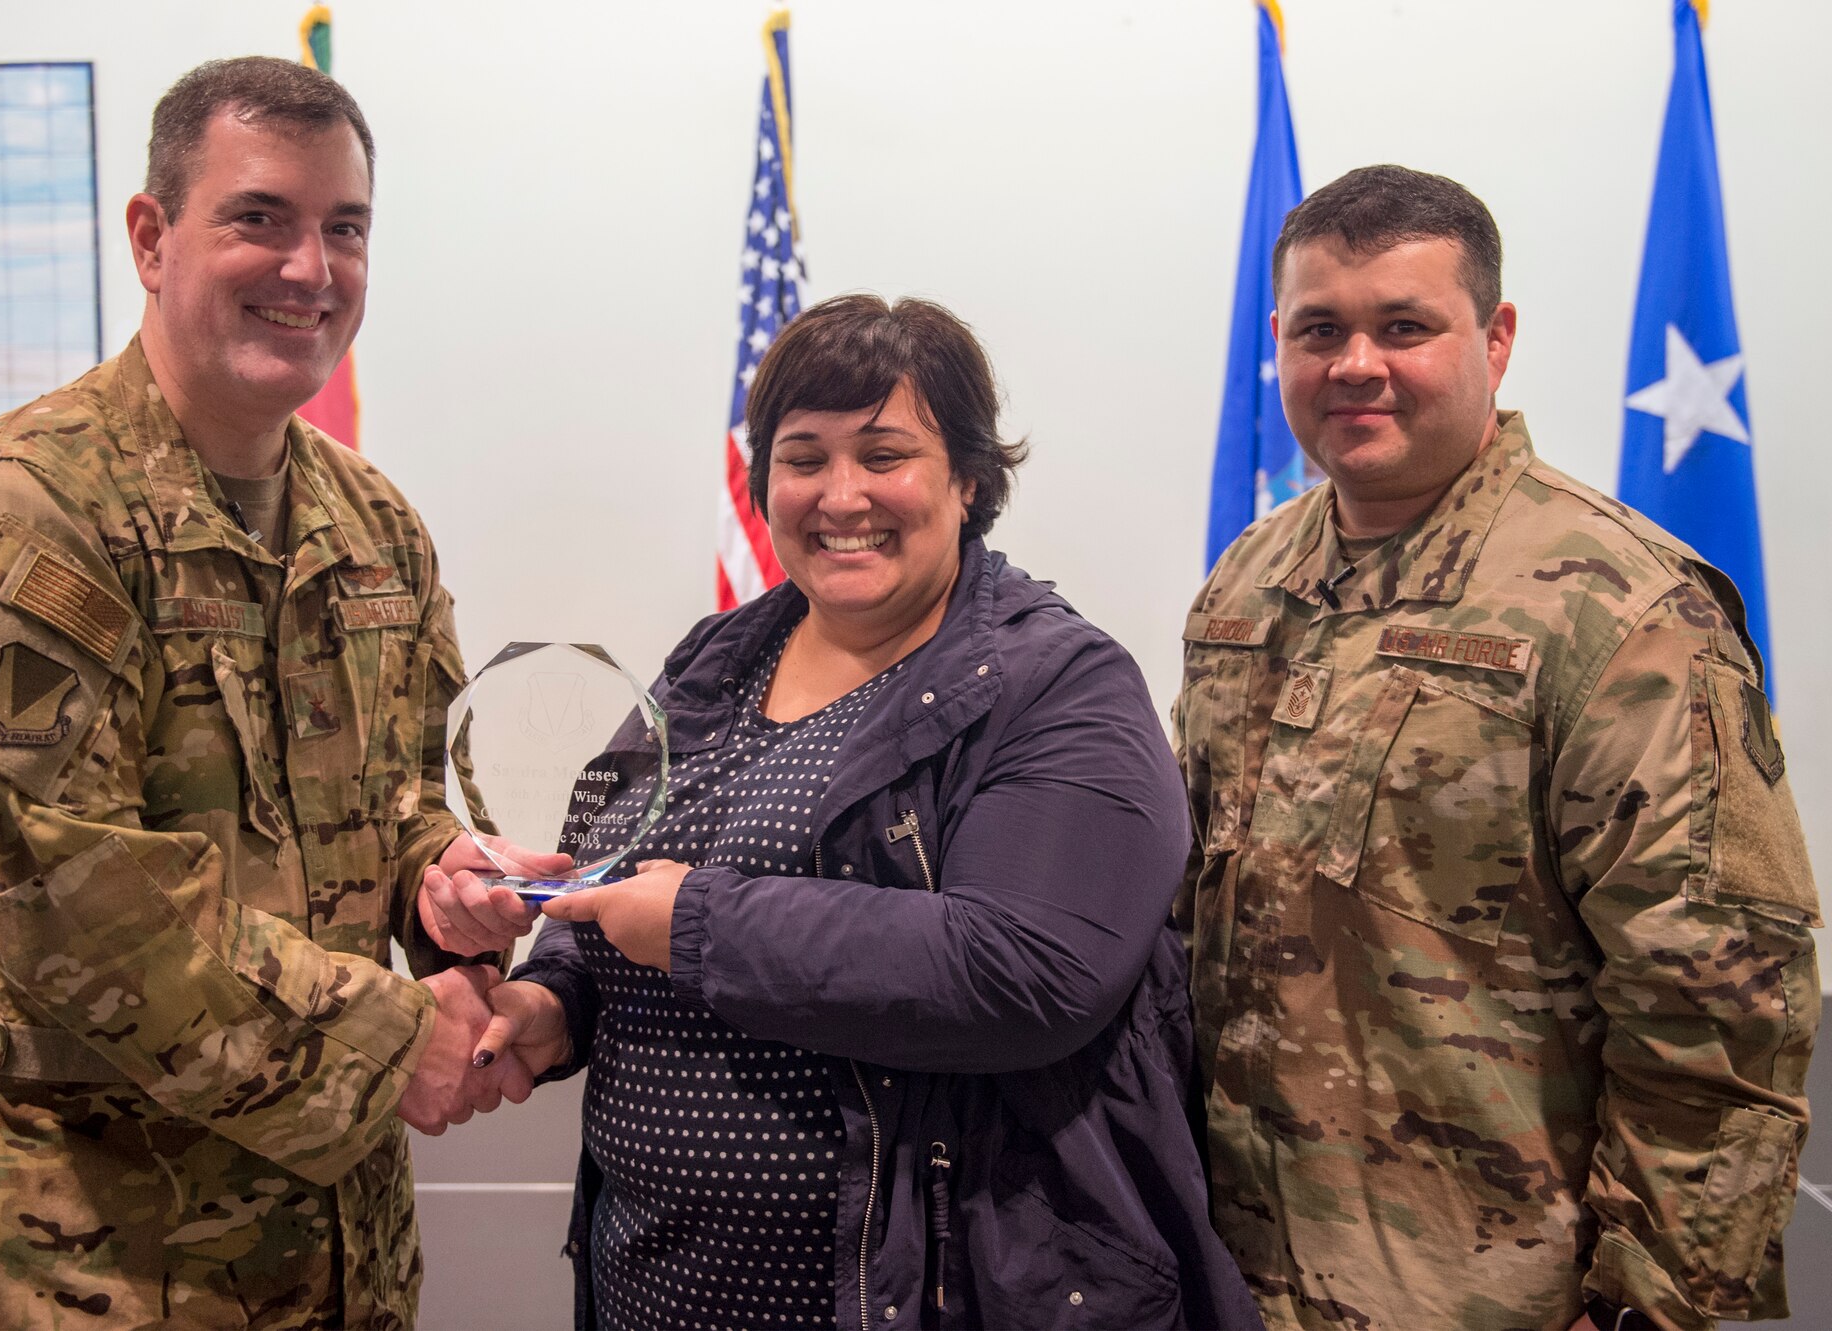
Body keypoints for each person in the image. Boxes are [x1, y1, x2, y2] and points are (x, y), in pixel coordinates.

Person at [0, 57, 550, 1329]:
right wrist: (393, 1035)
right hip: (87, 1271)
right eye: (258, 217)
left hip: (341, 1267)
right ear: (152, 236)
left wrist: (444, 884)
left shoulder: (372, 525)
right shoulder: (19, 512)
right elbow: (60, 891)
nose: (310, 269)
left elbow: (401, 795)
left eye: (345, 229)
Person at [428, 293, 1262, 1330]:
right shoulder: (712, 660)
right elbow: (610, 880)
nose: (840, 494)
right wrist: (550, 1002)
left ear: (968, 476)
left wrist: (702, 922)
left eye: (883, 453)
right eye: (803, 457)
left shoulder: (1060, 684)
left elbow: (1027, 968)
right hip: (651, 1286)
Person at [1173, 164, 1819, 1331]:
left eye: (1402, 326)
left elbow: (1721, 1006)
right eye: (1319, 329)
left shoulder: (1620, 608)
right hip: (1230, 1274)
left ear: (1495, 336)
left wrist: (1639, 1305)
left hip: (1492, 1294)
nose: (1354, 363)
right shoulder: (1245, 582)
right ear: (1278, 343)